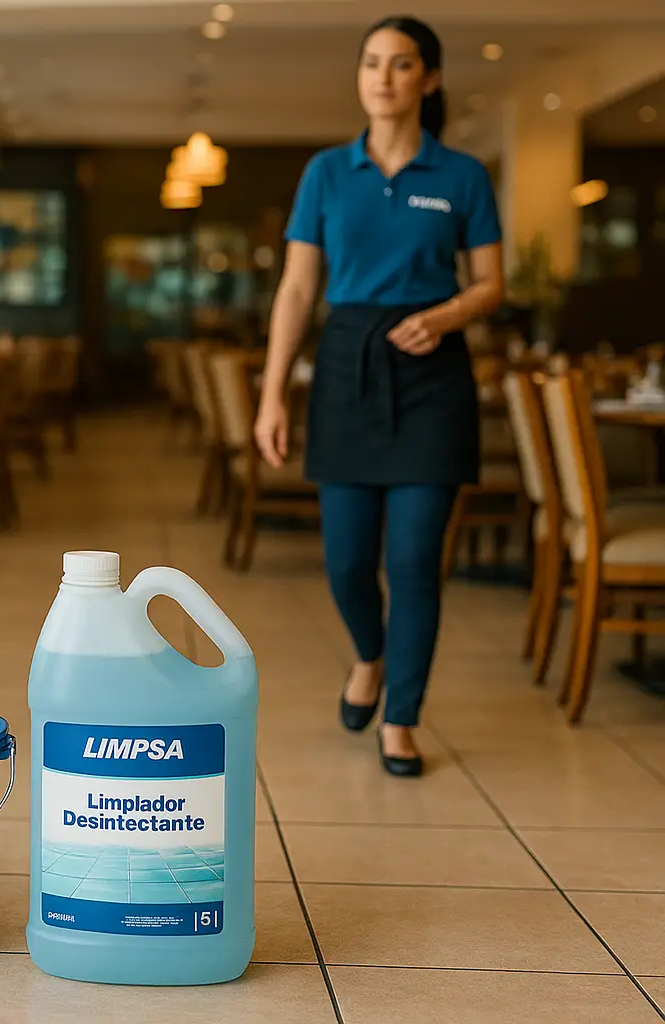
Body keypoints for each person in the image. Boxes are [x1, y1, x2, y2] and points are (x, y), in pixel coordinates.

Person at [254, 16, 504, 777]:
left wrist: (445, 316)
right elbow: (298, 289)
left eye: (401, 64)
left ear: (429, 78)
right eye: (371, 63)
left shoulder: (461, 176)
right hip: (348, 367)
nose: (383, 78)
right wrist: (272, 395)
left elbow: (492, 283)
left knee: (415, 559)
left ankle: (401, 718)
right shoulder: (328, 173)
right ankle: (370, 655)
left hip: (434, 375)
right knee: (345, 561)